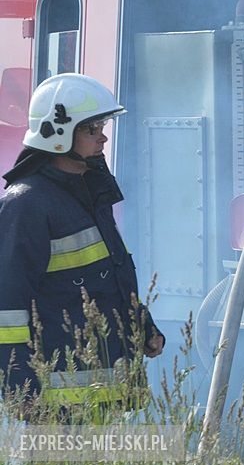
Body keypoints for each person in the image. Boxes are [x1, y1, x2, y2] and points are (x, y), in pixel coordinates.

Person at [0, 73, 164, 405]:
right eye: (92, 130)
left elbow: (111, 278)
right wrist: (19, 383)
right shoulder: (27, 204)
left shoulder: (90, 193)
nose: (102, 139)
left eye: (102, 128)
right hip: (56, 403)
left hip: (109, 393)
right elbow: (8, 304)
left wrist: (143, 326)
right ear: (58, 135)